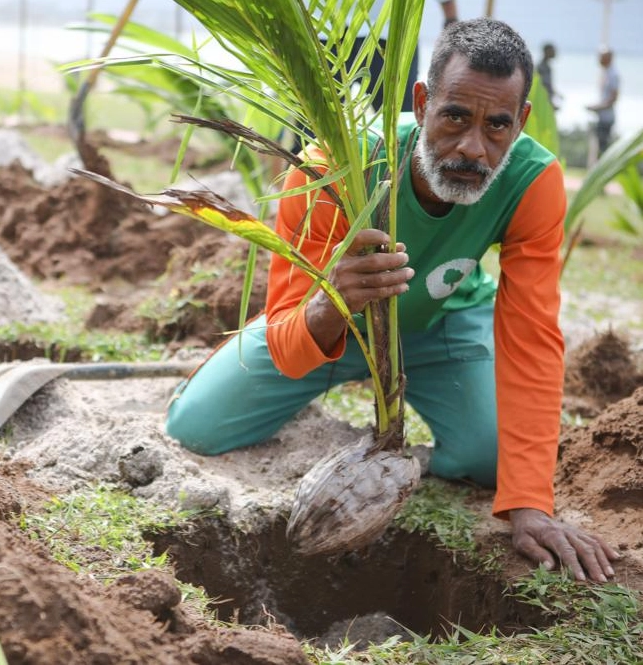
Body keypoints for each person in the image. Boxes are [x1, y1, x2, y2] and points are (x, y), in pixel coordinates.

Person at [166, 17, 621, 583]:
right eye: (455, 116)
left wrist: (531, 502)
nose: (473, 148)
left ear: (521, 120)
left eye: (497, 125)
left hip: (442, 327)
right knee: (196, 427)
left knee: (492, 463)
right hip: (334, 326)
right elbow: (287, 338)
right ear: (424, 101)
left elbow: (532, 339)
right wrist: (332, 302)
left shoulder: (532, 180)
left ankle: (435, 444)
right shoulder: (335, 165)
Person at [291, 1, 458, 151]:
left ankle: (398, 181)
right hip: (324, 27)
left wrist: (450, 21)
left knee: (401, 126)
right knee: (313, 127)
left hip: (388, 30)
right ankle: (303, 179)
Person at [586, 47, 620, 157]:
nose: (599, 59)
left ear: (608, 58)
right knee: (601, 146)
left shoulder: (613, 74)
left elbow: (613, 99)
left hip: (607, 118)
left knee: (604, 149)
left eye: (601, 57)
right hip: (602, 116)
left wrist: (596, 108)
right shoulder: (606, 73)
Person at [536, 42, 561, 110]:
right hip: (543, 102)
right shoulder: (541, 67)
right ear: (546, 51)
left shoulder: (546, 66)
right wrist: (549, 104)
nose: (554, 52)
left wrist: (556, 94)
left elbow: (548, 85)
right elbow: (543, 86)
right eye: (552, 50)